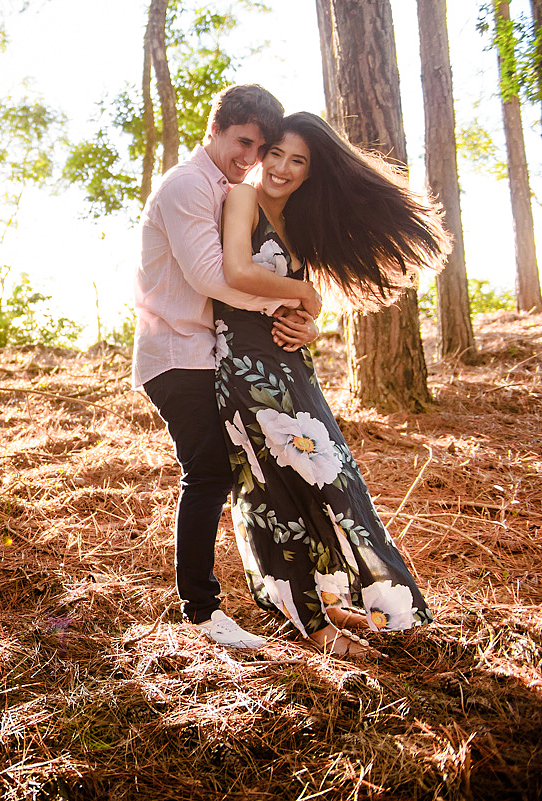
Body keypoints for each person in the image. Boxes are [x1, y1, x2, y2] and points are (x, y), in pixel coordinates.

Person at [213, 111, 449, 656]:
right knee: (283, 489)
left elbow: (291, 298)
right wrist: (308, 299)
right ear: (263, 153)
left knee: (330, 481)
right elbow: (235, 273)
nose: (282, 168)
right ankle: (312, 621)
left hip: (291, 368)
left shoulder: (298, 222)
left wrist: (310, 322)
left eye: (298, 161)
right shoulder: (242, 199)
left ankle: (345, 601)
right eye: (276, 154)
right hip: (245, 368)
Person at [133, 84, 321, 649]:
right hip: (175, 355)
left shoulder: (228, 189)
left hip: (210, 354)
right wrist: (293, 297)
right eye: (242, 142)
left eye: (259, 148)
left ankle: (290, 593)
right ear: (213, 130)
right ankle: (201, 611)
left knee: (239, 474)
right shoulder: (188, 185)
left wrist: (305, 316)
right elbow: (212, 276)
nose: (250, 158)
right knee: (208, 473)